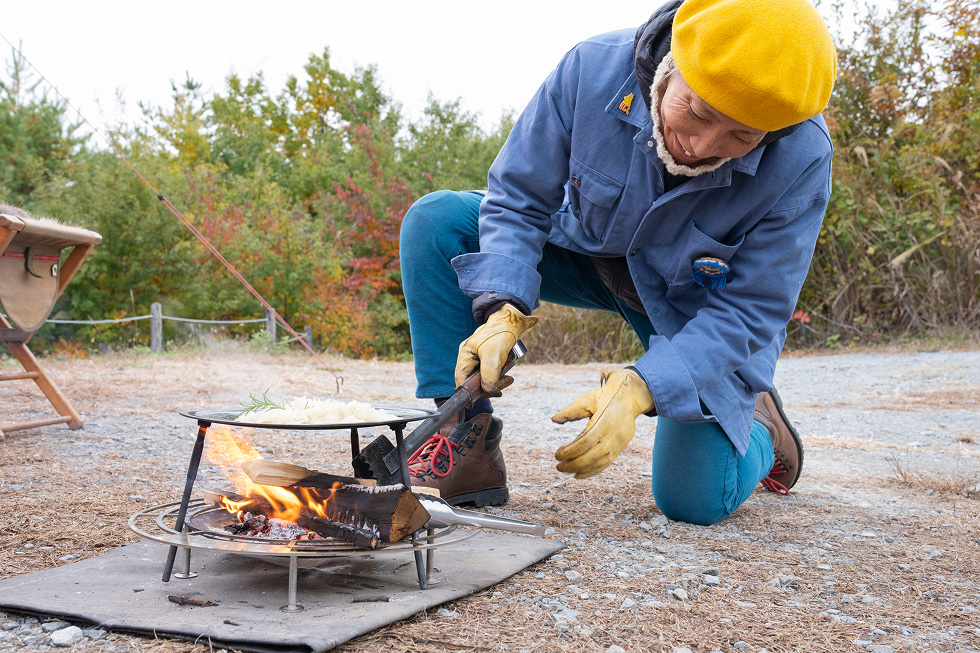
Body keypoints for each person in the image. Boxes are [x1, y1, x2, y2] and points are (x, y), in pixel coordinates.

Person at [398, 0, 837, 525]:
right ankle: (461, 441)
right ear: (672, 64)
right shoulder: (591, 68)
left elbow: (753, 308)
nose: (702, 146)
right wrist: (502, 304)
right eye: (697, 113)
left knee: (691, 500)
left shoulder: (803, 156)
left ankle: (761, 428)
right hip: (586, 255)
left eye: (741, 137)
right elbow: (518, 198)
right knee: (437, 221)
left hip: (692, 311)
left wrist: (644, 384)